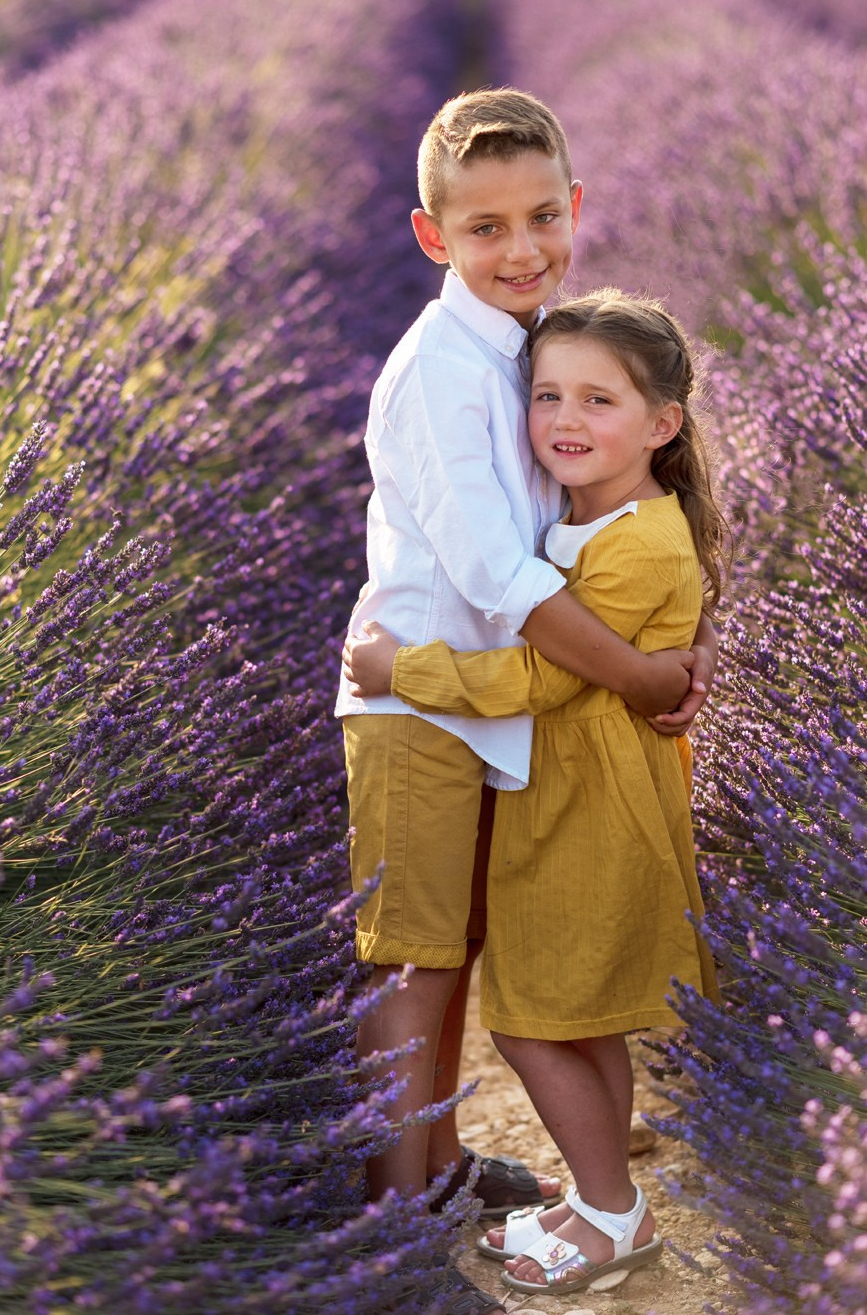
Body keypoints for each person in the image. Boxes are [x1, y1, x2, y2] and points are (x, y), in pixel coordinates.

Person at [335, 89, 717, 1312]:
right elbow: (501, 574)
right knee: (415, 961)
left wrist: (658, 643)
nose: (522, 248)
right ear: (431, 235)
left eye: (543, 217)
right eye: (486, 227)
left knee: (460, 946)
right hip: (417, 703)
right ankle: (398, 1215)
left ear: (576, 207)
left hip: (499, 699)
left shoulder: (529, 344)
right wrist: (640, 673)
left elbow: (591, 528)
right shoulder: (442, 373)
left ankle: (441, 1163)